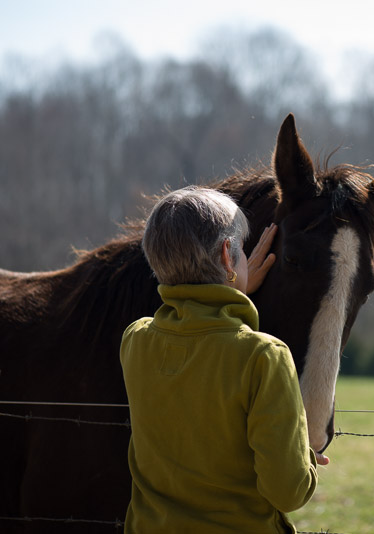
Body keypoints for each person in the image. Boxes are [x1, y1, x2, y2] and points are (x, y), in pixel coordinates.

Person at [120, 186, 319, 533]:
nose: (244, 257)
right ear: (228, 254)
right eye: (241, 250)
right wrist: (307, 462)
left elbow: (194, 337)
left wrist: (232, 287)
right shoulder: (263, 357)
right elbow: (288, 493)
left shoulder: (135, 340)